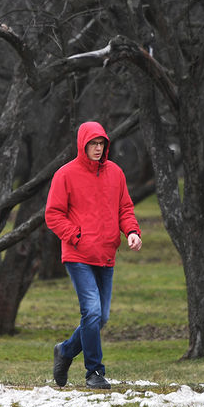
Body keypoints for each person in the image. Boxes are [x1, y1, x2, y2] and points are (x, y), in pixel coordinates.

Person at [45, 120, 141, 390]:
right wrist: (76, 236)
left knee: (101, 317)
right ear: (82, 145)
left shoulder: (115, 173)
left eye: (101, 144)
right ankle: (94, 372)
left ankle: (64, 351)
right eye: (93, 144)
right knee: (92, 311)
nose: (97, 148)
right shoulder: (65, 174)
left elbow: (125, 209)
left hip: (106, 255)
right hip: (78, 255)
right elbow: (52, 214)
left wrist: (132, 232)